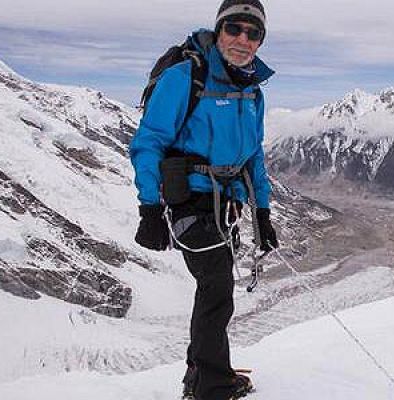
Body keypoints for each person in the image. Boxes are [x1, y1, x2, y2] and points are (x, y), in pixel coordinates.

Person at [129, 1, 278, 399]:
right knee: (216, 288)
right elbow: (148, 143)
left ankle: (201, 373)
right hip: (189, 200)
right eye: (234, 28)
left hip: (227, 203)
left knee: (215, 287)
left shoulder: (252, 91)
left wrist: (262, 211)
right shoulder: (185, 78)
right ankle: (212, 386)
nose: (243, 40)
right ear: (219, 29)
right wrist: (150, 208)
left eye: (254, 33)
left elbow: (254, 157)